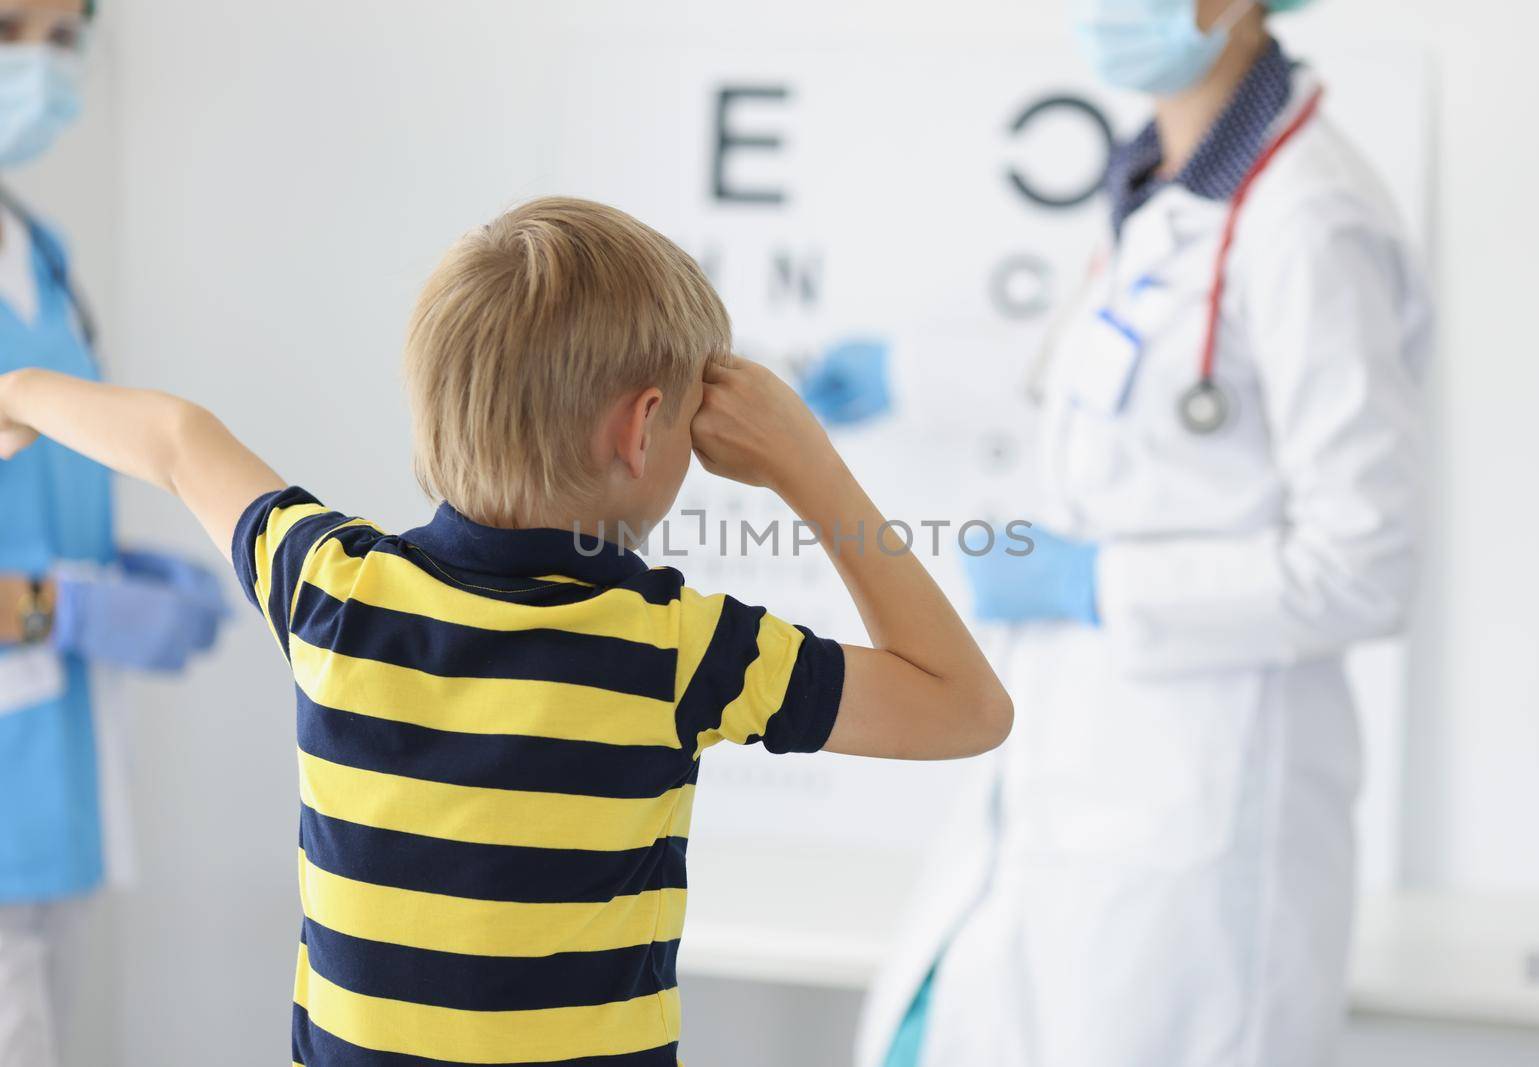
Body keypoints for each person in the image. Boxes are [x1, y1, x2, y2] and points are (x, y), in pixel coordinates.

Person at [0, 196, 1013, 1065]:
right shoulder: (678, 649)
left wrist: (20, 395)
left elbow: (178, 440)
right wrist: (808, 466)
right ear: (641, 425)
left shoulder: (334, 589)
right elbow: (965, 706)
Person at [857, 1, 1432, 1065]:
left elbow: (1365, 566)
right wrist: (902, 372)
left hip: (1202, 823)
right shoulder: (1164, 187)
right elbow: (1105, 370)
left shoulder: (1310, 219)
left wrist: (1096, 584)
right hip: (1072, 773)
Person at [0, 2, 226, 1063]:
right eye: (10, 29)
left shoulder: (38, 250)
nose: (40, 66)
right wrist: (59, 605)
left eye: (60, 36)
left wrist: (116, 569)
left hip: (52, 774)